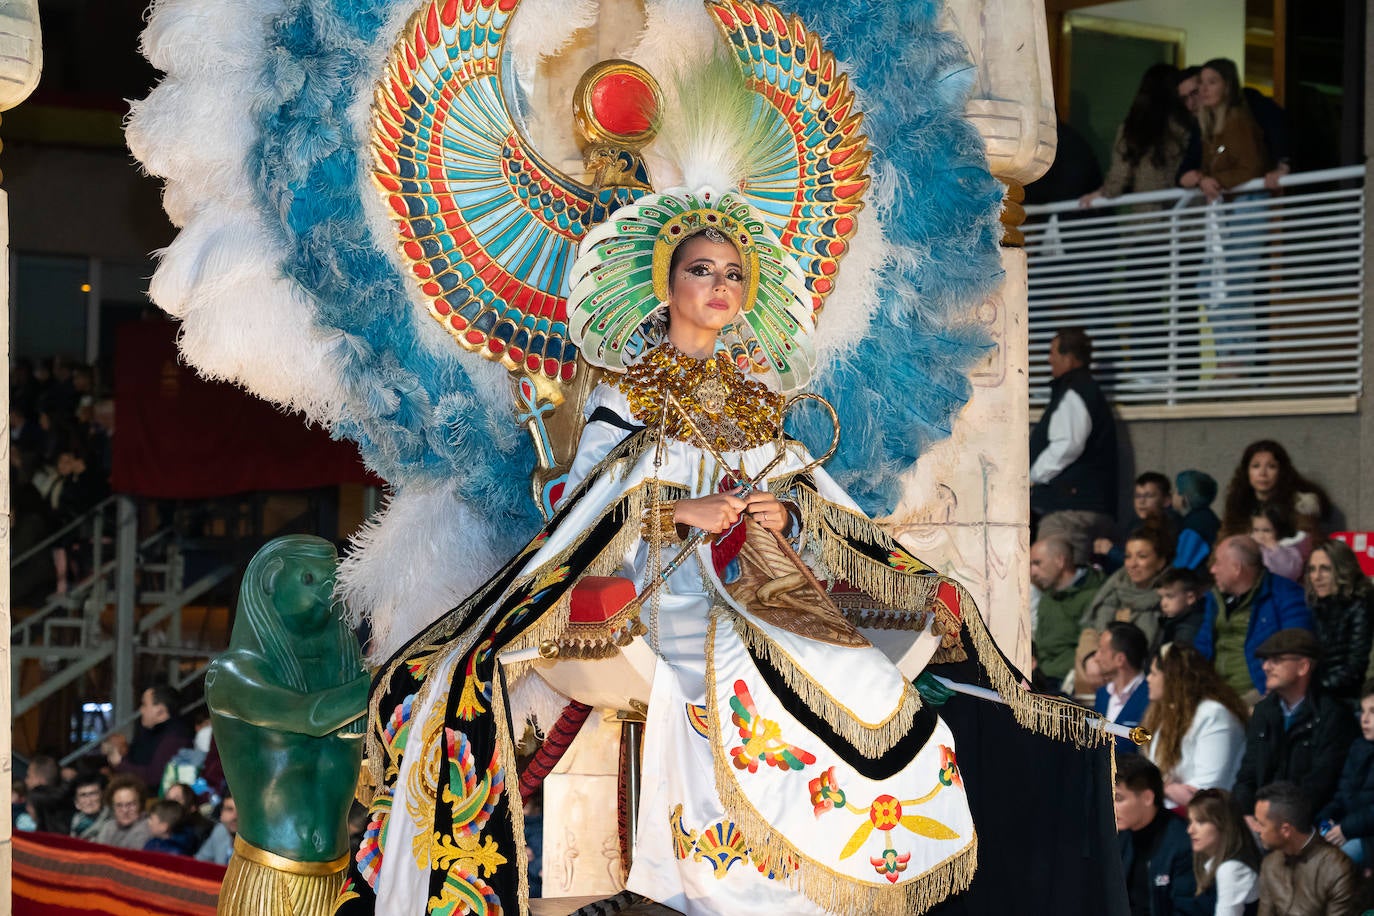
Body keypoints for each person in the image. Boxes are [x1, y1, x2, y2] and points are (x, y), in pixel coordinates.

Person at [339, 188, 1122, 916]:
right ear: (666, 284)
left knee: (862, 676)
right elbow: (583, 514)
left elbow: (815, 501)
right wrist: (682, 511)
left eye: (733, 274)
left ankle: (819, 872)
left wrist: (788, 513)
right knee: (724, 676)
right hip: (665, 583)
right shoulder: (624, 397)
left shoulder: (756, 403)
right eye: (701, 270)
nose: (719, 286)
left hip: (762, 586)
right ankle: (713, 881)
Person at [1231, 630, 1356, 819]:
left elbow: (1320, 785)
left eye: (1276, 660)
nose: (1265, 667)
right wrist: (1246, 815)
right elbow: (1247, 776)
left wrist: (1272, 819)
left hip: (1304, 822)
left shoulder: (1333, 716)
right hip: (1261, 819)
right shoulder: (1263, 712)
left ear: (1303, 667)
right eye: (1265, 660)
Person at [1030, 327, 1119, 564]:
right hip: (1087, 507)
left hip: (1069, 513)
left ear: (1069, 358)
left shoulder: (1075, 391)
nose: (1049, 360)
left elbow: (1068, 444)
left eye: (1052, 353)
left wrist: (1032, 476)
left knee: (1052, 575)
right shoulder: (1083, 389)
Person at [1194, 536, 1313, 698]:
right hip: (1214, 692)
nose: (1212, 570)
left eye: (1218, 563)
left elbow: (1296, 650)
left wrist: (1270, 697)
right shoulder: (1214, 599)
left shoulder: (1285, 596)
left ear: (1236, 568)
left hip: (1259, 693)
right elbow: (1201, 647)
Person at [1142, 644, 1248, 808]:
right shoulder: (1166, 713)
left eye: (1154, 674)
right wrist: (1167, 788)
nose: (1148, 679)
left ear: (1173, 679)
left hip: (1210, 816)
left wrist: (1163, 788)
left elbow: (1207, 789)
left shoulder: (1214, 715)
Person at [1079, 64, 1190, 211]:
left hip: (1149, 213)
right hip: (1190, 210)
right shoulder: (1187, 124)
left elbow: (1120, 174)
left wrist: (1103, 193)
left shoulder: (1135, 127)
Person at [1075, 526, 1170, 686]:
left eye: (1142, 556)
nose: (1132, 564)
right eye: (1127, 556)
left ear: (1160, 562)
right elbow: (1091, 629)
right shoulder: (1115, 587)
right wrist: (1090, 657)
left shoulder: (1170, 598)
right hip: (1097, 677)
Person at [1114, 755, 1205, 915]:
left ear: (1147, 797)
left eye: (1118, 798)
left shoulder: (1183, 843)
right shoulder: (1118, 836)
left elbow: (1187, 910)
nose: (1112, 807)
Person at [1253, 782, 1357, 916]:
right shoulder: (1270, 863)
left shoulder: (1337, 869)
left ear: (1285, 830)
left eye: (1261, 824)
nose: (1256, 829)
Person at [1176, 60, 1267, 202]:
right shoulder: (1209, 125)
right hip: (1227, 201)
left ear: (1227, 87)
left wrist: (1213, 180)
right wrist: (1201, 179)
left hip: (1246, 201)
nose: (1204, 89)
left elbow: (1250, 168)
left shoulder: (1237, 121)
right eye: (1201, 83)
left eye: (1212, 82)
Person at [1030, 535, 1104, 690]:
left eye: (1037, 563)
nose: (1032, 572)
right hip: (1040, 678)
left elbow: (1090, 645)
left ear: (1060, 561)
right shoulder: (1047, 597)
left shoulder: (1094, 596)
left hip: (1070, 683)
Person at [1304, 538, 1373, 704]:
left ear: (1343, 570)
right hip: (1320, 692)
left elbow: (1355, 668)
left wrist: (1311, 689)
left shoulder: (1362, 605)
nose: (1316, 577)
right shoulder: (1315, 604)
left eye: (1325, 569)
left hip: (1348, 697)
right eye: (1312, 569)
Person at [1219, 441, 1330, 541]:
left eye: (1271, 467)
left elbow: (1305, 544)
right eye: (1256, 466)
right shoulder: (1237, 503)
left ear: (1281, 471)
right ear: (1246, 472)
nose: (1263, 473)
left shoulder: (1300, 504)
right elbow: (1222, 542)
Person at [1315, 681, 1374, 867]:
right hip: (1347, 829)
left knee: (1328, 866)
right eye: (1362, 711)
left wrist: (1345, 829)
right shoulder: (1359, 747)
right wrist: (1325, 821)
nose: (1364, 719)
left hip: (1367, 838)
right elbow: (1342, 795)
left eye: (1373, 712)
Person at [1185, 789, 1260, 916]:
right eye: (1190, 821)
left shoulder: (1232, 869)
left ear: (1223, 824)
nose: (1190, 830)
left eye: (1200, 822)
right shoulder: (1216, 864)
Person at [106, 684, 193, 791]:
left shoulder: (175, 737)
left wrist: (120, 764)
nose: (141, 710)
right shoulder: (150, 731)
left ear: (160, 711)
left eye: (144, 705)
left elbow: (154, 778)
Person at [1095, 472, 1180, 573]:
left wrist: (1111, 551)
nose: (1141, 502)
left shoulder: (1169, 525)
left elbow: (1148, 565)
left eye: (1149, 496)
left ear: (1166, 500)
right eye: (1138, 496)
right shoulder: (1136, 524)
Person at [1095, 622, 1151, 755]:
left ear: (1120, 659)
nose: (1096, 657)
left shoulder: (1150, 698)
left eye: (1102, 651)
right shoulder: (1102, 695)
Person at [1152, 567, 1208, 658]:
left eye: (1169, 596)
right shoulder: (1172, 619)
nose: (1163, 603)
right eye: (1161, 597)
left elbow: (1177, 661)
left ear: (1190, 598)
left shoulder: (1188, 629)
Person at [1173, 470, 1221, 571]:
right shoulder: (1209, 517)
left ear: (1184, 498)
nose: (1173, 495)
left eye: (1176, 491)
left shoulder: (1194, 525)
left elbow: (1182, 565)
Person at [93, 775, 153, 850]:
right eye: (119, 805)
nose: (125, 810)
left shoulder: (148, 828)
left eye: (130, 804)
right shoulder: (108, 827)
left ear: (141, 805)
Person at [1248, 506, 1304, 582]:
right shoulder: (1251, 548)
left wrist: (1276, 550)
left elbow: (1289, 573)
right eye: (1256, 530)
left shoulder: (1289, 550)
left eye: (1266, 530)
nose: (1260, 536)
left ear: (1279, 530)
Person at [194, 792, 237, 866]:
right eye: (229, 809)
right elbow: (198, 863)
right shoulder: (219, 831)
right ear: (221, 814)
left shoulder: (255, 843)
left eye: (241, 811)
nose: (235, 816)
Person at [69, 772, 111, 841]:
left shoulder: (113, 823)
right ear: (76, 803)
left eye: (93, 794)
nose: (88, 801)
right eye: (83, 795)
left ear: (103, 796)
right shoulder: (76, 822)